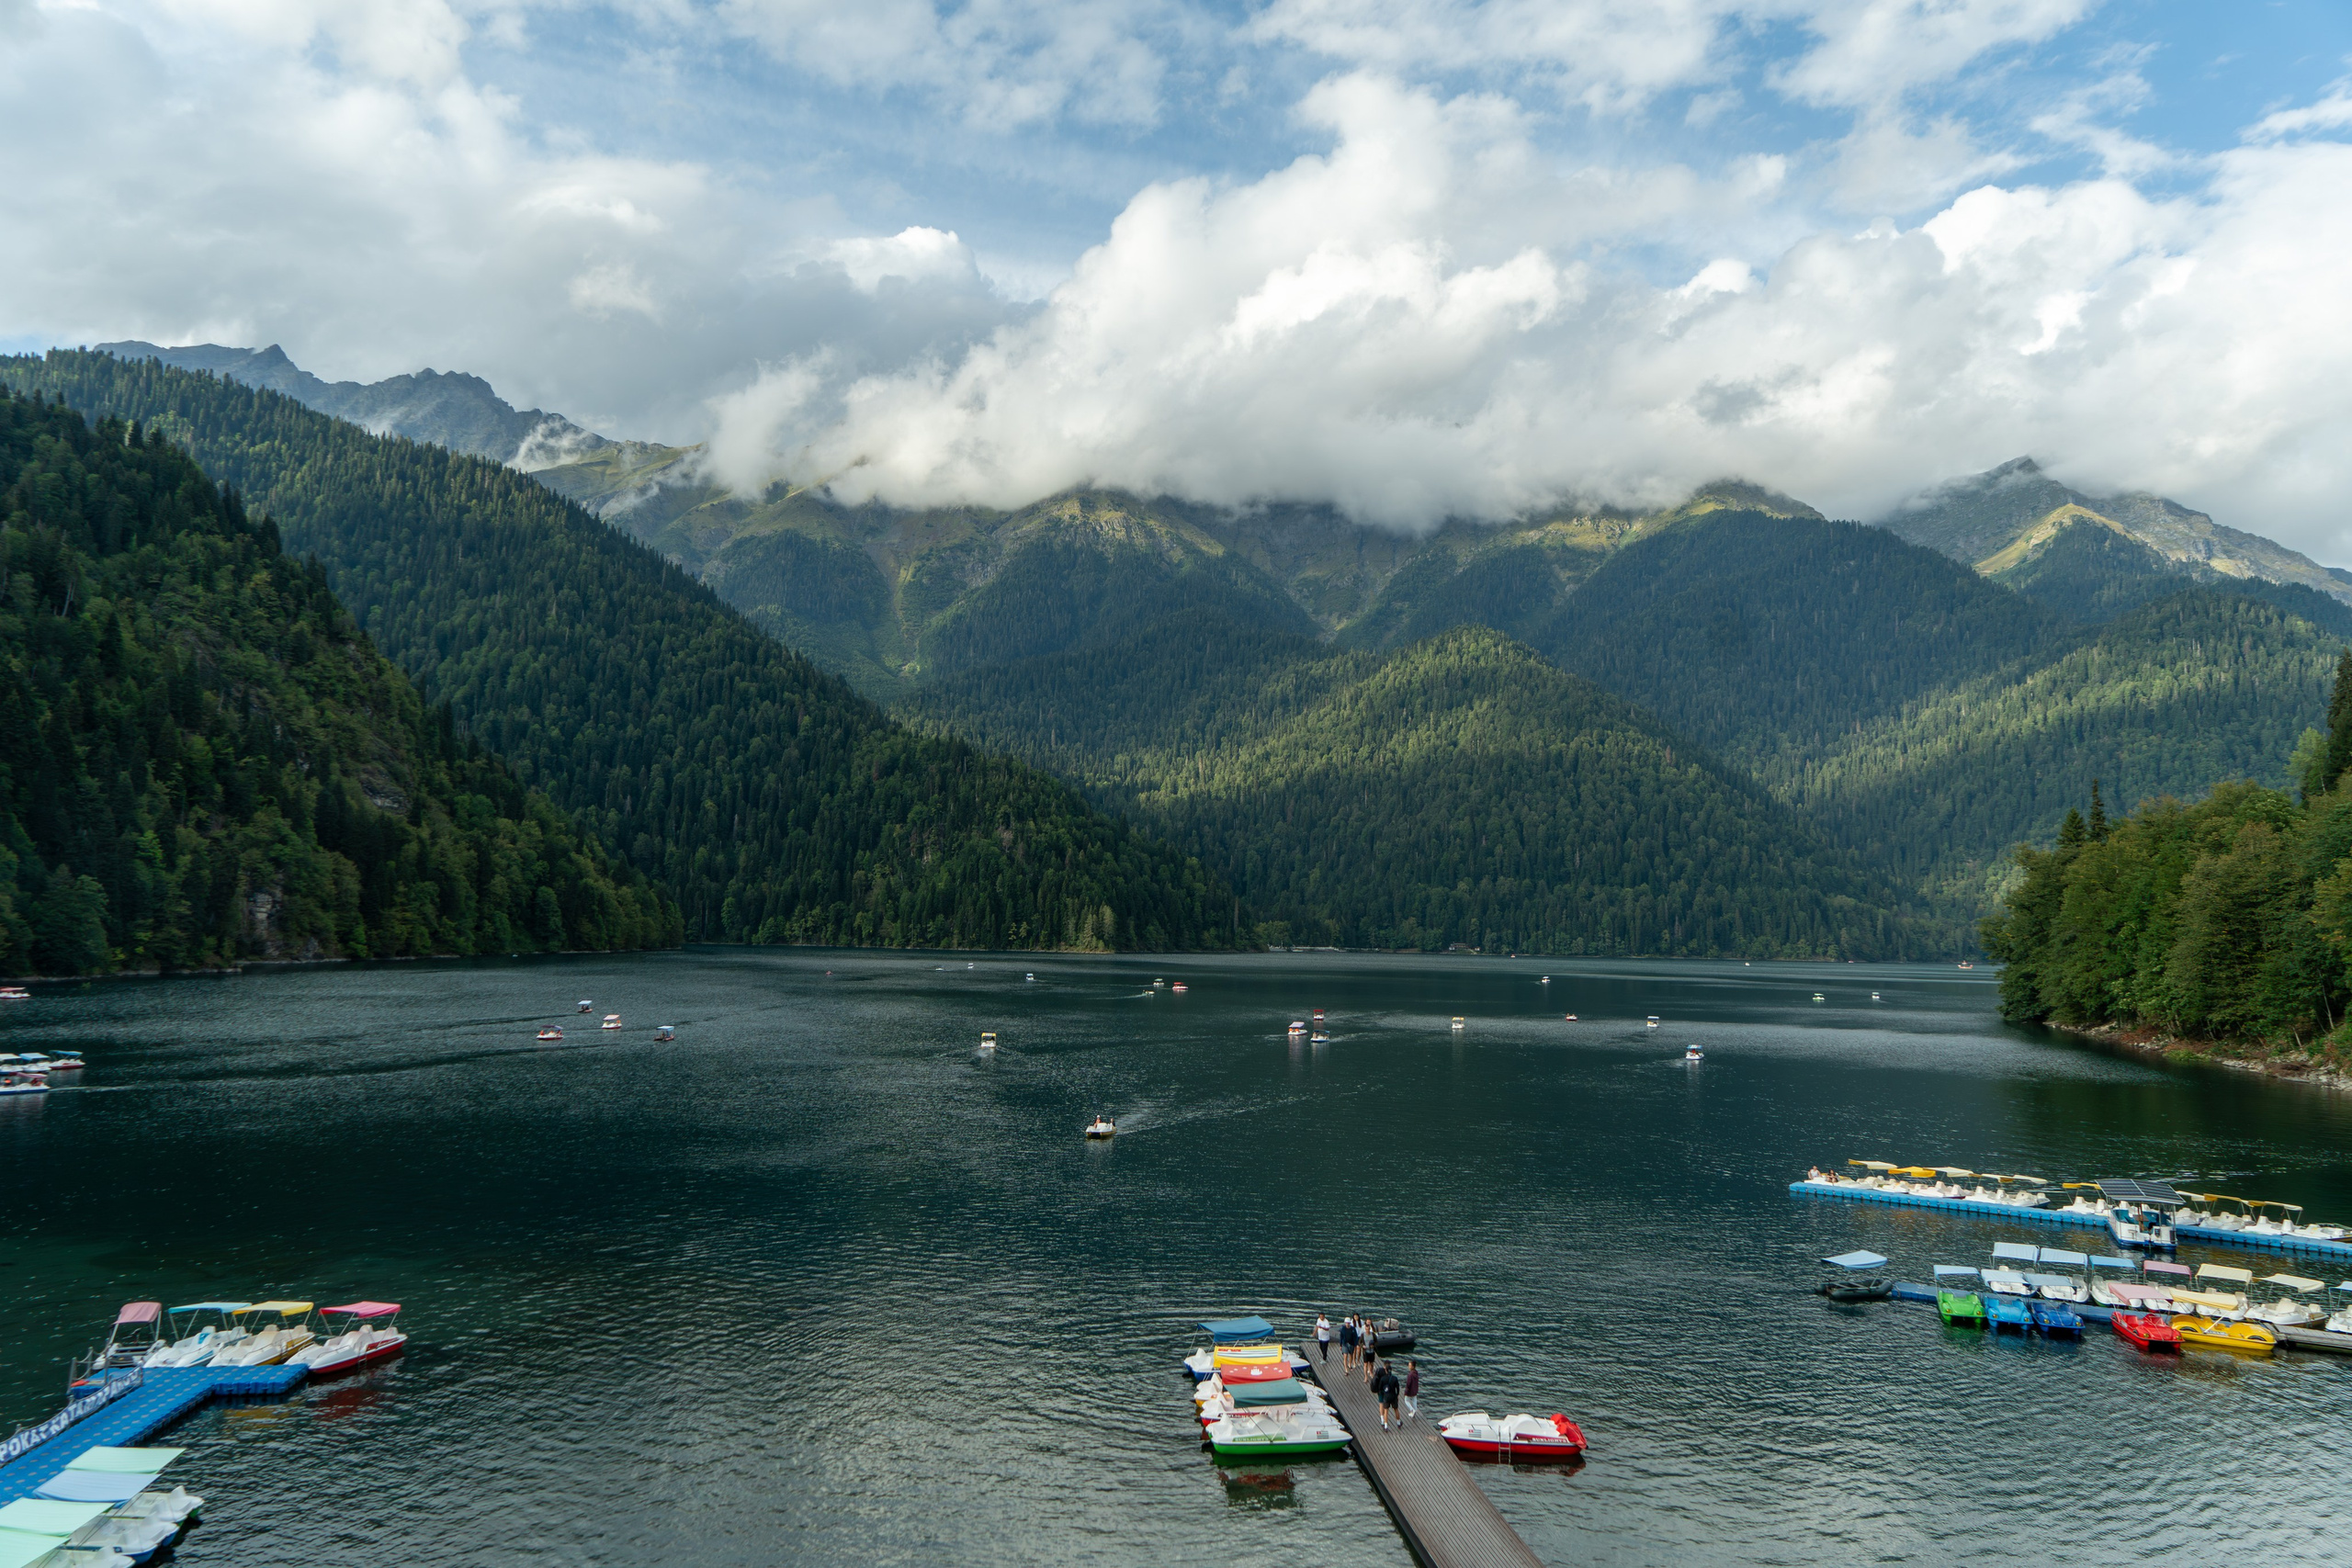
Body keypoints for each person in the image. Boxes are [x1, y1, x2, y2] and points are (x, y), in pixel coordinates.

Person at [1402, 1359, 1419, 1423]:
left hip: (1410, 1391)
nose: (1408, 1366)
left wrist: (1406, 1391)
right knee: (1414, 1400)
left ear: (1412, 1367)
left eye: (1409, 1365)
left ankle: (1412, 1410)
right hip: (1415, 1390)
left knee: (1406, 1400)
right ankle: (1414, 1412)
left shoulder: (1410, 1375)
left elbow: (1408, 1384)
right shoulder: (1416, 1373)